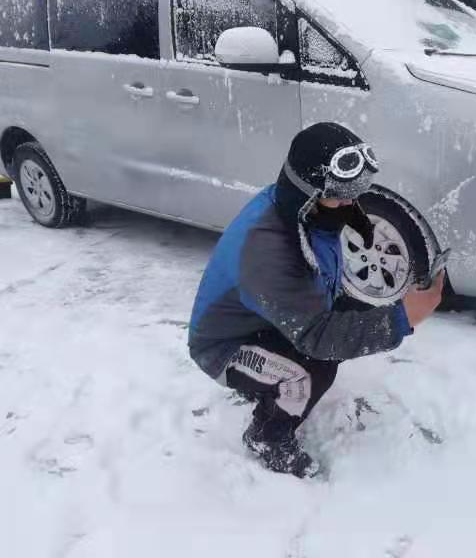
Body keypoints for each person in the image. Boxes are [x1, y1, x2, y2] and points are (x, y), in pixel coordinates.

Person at [188, 122, 444, 478]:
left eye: (355, 195)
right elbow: (317, 336)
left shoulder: (302, 213)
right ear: (306, 193)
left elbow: (323, 293)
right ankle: (268, 437)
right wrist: (402, 319)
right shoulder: (269, 249)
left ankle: (268, 390)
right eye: (341, 196)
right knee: (309, 371)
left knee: (342, 330)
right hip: (223, 348)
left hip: (262, 319)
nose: (350, 204)